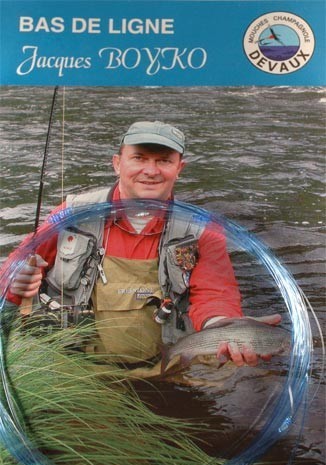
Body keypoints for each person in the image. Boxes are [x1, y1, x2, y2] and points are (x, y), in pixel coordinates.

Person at [2, 121, 280, 372]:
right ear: (117, 163)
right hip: (76, 367)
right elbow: (12, 274)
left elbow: (214, 295)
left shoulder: (203, 228)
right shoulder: (72, 214)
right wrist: (18, 282)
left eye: (163, 160)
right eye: (139, 158)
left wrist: (224, 330)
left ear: (179, 168)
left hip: (166, 364)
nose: (151, 170)